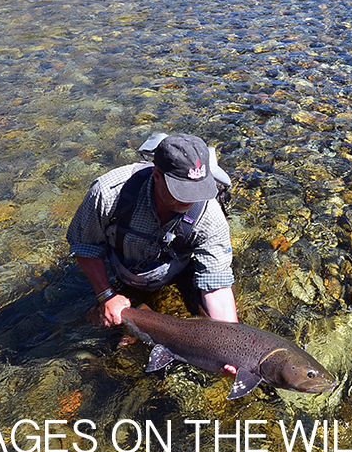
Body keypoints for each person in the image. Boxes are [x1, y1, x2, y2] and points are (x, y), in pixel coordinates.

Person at [67, 133, 239, 341]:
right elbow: (85, 245)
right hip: (121, 267)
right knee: (90, 327)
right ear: (157, 176)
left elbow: (217, 283)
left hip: (180, 269)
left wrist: (231, 342)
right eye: (184, 191)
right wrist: (106, 295)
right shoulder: (109, 193)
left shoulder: (209, 215)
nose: (193, 199)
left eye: (198, 190)